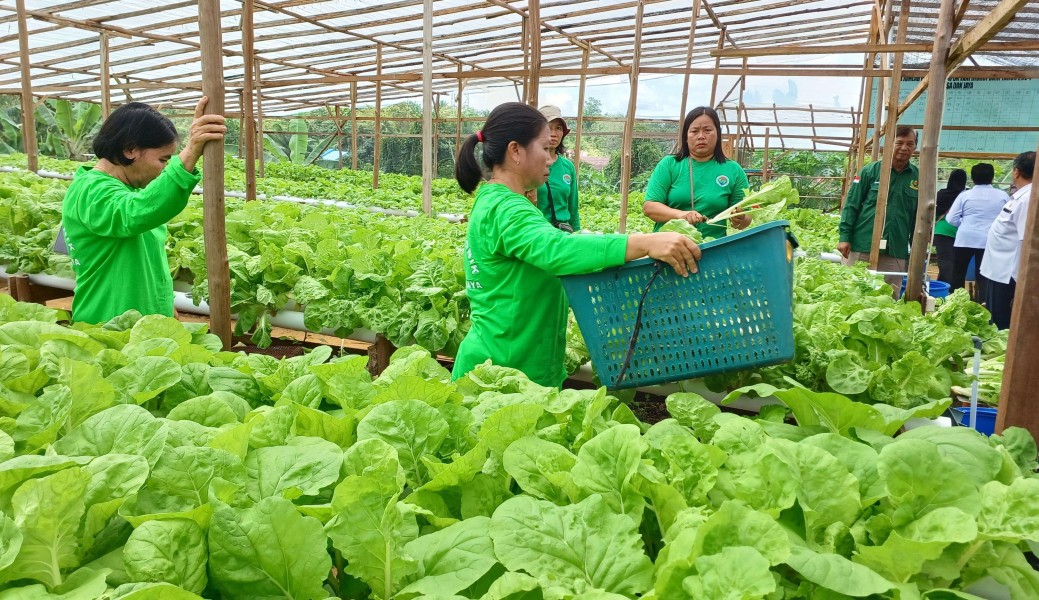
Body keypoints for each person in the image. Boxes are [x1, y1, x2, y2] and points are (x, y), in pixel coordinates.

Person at [452, 102, 701, 388]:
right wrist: (645, 243)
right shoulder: (506, 208)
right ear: (516, 151)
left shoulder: (494, 199)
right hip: (501, 374)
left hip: (510, 365)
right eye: (545, 148)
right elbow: (557, 249)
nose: (551, 159)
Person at [61, 98, 226, 323]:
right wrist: (190, 152)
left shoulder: (129, 190)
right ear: (130, 150)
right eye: (163, 159)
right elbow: (134, 213)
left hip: (140, 324)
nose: (164, 168)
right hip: (108, 326)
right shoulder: (91, 190)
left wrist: (162, 303)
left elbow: (144, 259)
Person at [642, 106, 751, 238]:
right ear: (686, 137)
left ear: (718, 134)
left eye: (707, 130)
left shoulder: (733, 170)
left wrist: (740, 219)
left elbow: (744, 220)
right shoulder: (669, 165)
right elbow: (650, 207)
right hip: (669, 246)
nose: (701, 136)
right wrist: (681, 215)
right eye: (694, 131)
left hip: (713, 246)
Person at [838, 125, 920, 295]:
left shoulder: (918, 177)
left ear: (915, 147)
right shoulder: (870, 172)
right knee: (851, 292)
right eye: (899, 143)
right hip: (863, 245)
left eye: (910, 144)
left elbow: (918, 217)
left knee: (889, 297)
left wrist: (916, 249)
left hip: (895, 250)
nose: (904, 148)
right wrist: (844, 237)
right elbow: (851, 205)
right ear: (889, 144)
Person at [979, 151, 1034, 329]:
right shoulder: (1022, 196)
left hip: (1008, 274)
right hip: (999, 271)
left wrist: (1020, 281)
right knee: (995, 316)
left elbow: (1026, 241)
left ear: (1016, 171)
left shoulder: (1028, 199)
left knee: (1001, 323)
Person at [946, 163, 1010, 296]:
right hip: (989, 240)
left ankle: (955, 301)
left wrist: (964, 224)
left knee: (958, 273)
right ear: (992, 177)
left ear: (973, 178)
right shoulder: (1002, 195)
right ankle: (984, 302)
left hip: (965, 239)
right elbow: (1008, 219)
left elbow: (951, 218)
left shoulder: (965, 195)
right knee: (984, 274)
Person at [530, 105, 580, 232]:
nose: (553, 134)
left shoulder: (568, 167)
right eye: (548, 127)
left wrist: (576, 234)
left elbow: (573, 208)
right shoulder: (528, 164)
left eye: (558, 128)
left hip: (563, 234)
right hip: (537, 233)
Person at [933, 169, 966, 284]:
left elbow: (934, 213)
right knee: (958, 264)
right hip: (961, 232)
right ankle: (954, 289)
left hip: (942, 231)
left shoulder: (941, 194)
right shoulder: (965, 195)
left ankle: (943, 287)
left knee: (945, 262)